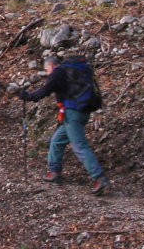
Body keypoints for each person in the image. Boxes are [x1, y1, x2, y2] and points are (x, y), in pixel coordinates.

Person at [10, 56, 110, 196]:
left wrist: (28, 96)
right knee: (57, 140)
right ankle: (54, 171)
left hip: (72, 114)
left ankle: (99, 178)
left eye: (46, 69)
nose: (47, 72)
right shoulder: (74, 71)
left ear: (51, 65)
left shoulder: (58, 72)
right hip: (83, 112)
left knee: (79, 146)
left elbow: (44, 91)